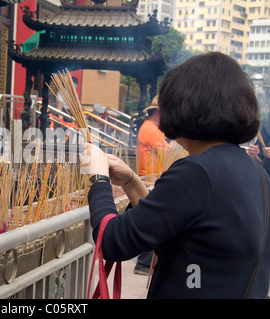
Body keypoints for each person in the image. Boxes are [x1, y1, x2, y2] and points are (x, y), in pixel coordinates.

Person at [82, 52, 270, 298]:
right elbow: (174, 227)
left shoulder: (196, 172)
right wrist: (131, 181)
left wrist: (98, 178)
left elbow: (113, 241)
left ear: (186, 107)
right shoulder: (256, 173)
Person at [134, 95, 168, 275]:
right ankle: (144, 262)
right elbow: (166, 153)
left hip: (154, 180)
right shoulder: (150, 129)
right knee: (153, 222)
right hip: (149, 181)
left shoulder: (156, 129)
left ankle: (147, 262)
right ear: (159, 112)